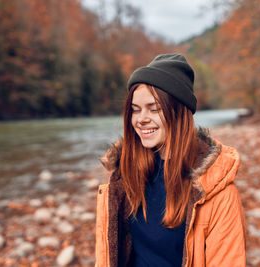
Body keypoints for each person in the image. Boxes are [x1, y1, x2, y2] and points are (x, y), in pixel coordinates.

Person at [95, 54, 246, 267]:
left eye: (154, 109)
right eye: (135, 110)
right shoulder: (123, 176)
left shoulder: (217, 191)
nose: (141, 119)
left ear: (179, 112)